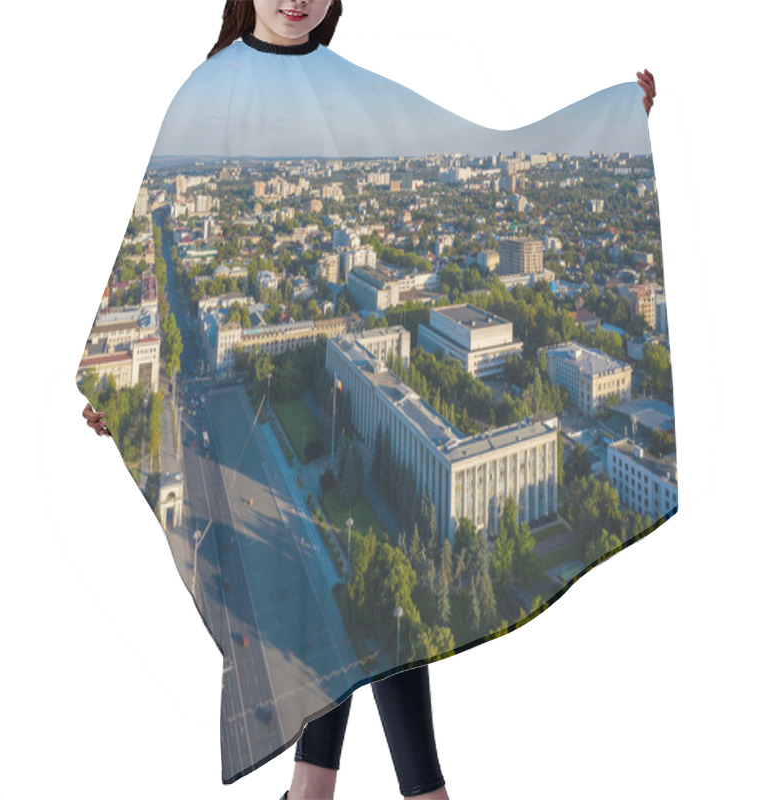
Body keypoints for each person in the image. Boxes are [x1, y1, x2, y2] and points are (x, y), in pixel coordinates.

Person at [82, 2, 657, 798]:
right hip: (332, 354)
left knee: (378, 615)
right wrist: (111, 383)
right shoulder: (207, 86)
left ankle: (323, 789)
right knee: (376, 619)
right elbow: (141, 229)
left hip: (362, 350)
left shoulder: (345, 81)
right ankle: (397, 792)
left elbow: (469, 132)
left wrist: (618, 116)